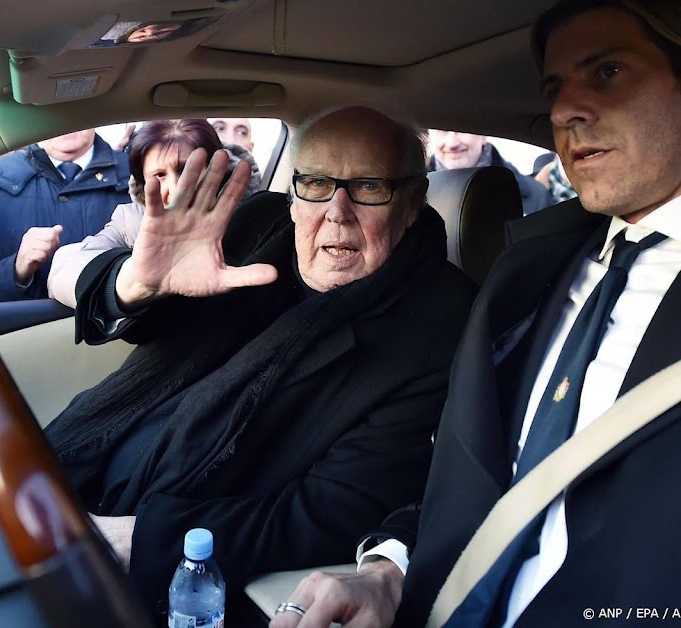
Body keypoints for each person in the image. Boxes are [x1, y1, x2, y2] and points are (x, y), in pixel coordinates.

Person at [272, 1, 681, 626]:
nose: (563, 111)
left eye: (607, 73)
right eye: (554, 89)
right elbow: (477, 478)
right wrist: (389, 573)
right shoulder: (525, 273)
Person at [43, 105, 477, 616]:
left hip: (156, 561)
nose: (337, 212)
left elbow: (329, 510)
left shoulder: (437, 325)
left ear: (412, 200)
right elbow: (147, 321)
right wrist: (137, 287)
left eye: (368, 186)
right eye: (316, 183)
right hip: (69, 470)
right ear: (294, 195)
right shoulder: (257, 224)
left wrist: (138, 541)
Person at [47, 118, 261, 308]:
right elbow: (63, 269)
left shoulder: (254, 218)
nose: (175, 189)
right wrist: (130, 281)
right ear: (142, 181)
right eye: (159, 175)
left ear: (219, 171)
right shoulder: (130, 221)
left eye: (187, 169)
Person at [0, 129, 131, 303]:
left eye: (74, 110)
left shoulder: (138, 174)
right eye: (53, 112)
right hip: (32, 324)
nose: (65, 120)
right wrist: (16, 269)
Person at [427, 129, 553, 215]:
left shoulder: (536, 196)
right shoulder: (415, 195)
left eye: (462, 130)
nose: (452, 143)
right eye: (441, 131)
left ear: (483, 135)